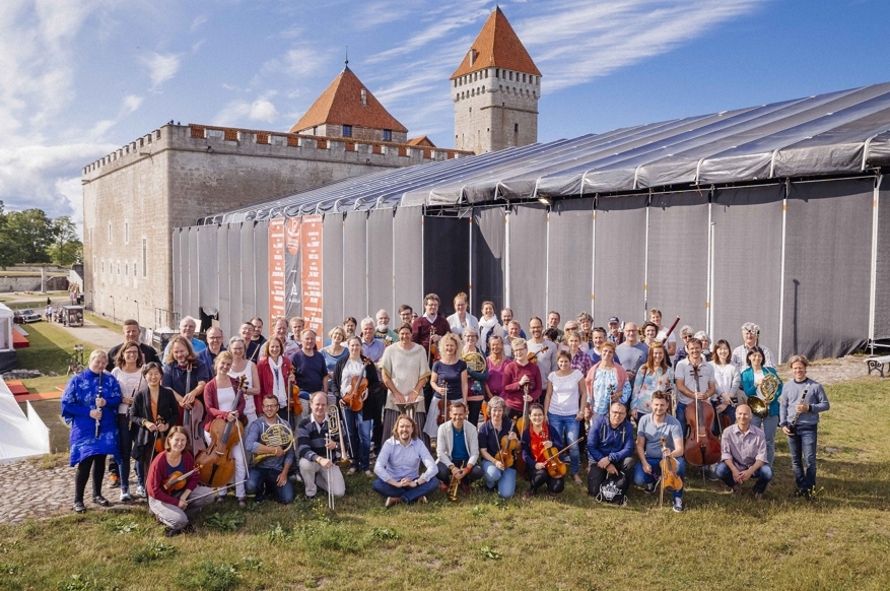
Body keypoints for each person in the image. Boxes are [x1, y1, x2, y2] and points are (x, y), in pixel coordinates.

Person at [62, 349, 122, 513]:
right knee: (85, 461)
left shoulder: (109, 379)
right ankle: (78, 499)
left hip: (105, 427)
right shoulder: (77, 380)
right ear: (90, 361)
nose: (100, 365)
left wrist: (105, 402)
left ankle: (97, 494)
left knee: (100, 461)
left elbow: (118, 398)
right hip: (85, 429)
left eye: (104, 362)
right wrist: (88, 412)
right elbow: (67, 404)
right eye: (98, 361)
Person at [146, 427, 215, 536]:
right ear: (169, 440)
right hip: (159, 498)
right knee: (180, 521)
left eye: (183, 440)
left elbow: (194, 476)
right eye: (176, 440)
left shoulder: (186, 456)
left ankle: (177, 514)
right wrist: (176, 503)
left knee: (209, 494)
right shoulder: (159, 460)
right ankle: (160, 515)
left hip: (178, 494)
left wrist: (183, 497)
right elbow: (154, 491)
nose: (180, 443)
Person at [780, 355, 830, 498]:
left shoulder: (815, 386)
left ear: (805, 368)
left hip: (808, 427)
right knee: (795, 460)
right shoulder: (787, 386)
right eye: (795, 368)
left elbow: (826, 405)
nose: (798, 370)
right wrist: (783, 423)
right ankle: (801, 486)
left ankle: (809, 489)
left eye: (800, 368)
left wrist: (809, 408)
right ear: (791, 369)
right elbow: (783, 405)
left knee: (809, 460)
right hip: (791, 427)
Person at [202, 352, 248, 506]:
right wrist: (224, 414)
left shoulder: (236, 382)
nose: (225, 366)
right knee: (218, 460)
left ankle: (240, 494)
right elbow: (209, 408)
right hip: (216, 428)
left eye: (228, 364)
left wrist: (236, 414)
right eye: (223, 363)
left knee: (240, 461)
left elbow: (241, 403)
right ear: (217, 363)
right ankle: (221, 491)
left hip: (234, 428)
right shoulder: (209, 386)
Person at [331, 336, 382, 476]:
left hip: (364, 403)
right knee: (351, 434)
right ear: (348, 346)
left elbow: (376, 384)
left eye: (357, 345)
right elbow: (334, 383)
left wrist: (367, 391)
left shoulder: (367, 363)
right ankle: (354, 463)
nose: (354, 348)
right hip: (346, 402)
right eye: (352, 345)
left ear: (361, 347)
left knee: (365, 435)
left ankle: (365, 465)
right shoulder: (342, 362)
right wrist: (339, 397)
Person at [131, 361, 179, 498]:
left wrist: (166, 425)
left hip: (164, 437)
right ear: (145, 376)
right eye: (150, 374)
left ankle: (166, 492)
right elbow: (133, 416)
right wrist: (145, 422)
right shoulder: (140, 395)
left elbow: (175, 414)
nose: (153, 377)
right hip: (146, 437)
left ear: (161, 376)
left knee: (165, 464)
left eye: (156, 373)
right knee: (148, 466)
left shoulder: (168, 393)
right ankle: (150, 494)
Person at [634, 391, 686, 512]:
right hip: (650, 458)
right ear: (651, 404)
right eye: (656, 404)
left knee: (681, 465)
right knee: (638, 479)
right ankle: (653, 481)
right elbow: (640, 445)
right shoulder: (644, 420)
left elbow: (680, 449)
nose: (659, 408)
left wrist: (670, 454)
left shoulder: (674, 423)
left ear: (667, 405)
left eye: (662, 405)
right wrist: (644, 462)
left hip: (668, 459)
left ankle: (677, 497)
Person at [380, 323, 431, 445]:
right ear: (398, 334)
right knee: (394, 430)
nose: (405, 336)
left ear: (411, 334)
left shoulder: (420, 350)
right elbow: (385, 375)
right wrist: (396, 393)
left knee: (416, 428)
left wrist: (414, 392)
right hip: (395, 397)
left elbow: (424, 375)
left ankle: (418, 458)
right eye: (402, 333)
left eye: (407, 333)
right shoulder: (390, 350)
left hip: (415, 397)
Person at [373, 414, 439, 506]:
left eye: (408, 426)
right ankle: (416, 496)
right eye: (402, 426)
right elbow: (378, 468)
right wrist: (396, 484)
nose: (404, 429)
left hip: (412, 482)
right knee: (377, 484)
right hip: (394, 483)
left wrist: (416, 483)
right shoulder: (389, 444)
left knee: (434, 481)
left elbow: (433, 468)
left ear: (412, 429)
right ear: (397, 429)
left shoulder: (419, 444)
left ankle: (399, 499)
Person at [110, 341, 145, 501]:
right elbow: (110, 394)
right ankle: (124, 488)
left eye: (135, 352)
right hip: (122, 416)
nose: (132, 355)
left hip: (139, 417)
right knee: (124, 452)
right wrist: (122, 398)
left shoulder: (144, 371)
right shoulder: (116, 372)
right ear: (123, 354)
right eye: (128, 352)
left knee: (139, 452)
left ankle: (141, 484)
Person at [245, 396, 296, 504]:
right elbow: (249, 445)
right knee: (250, 487)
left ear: (277, 407)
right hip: (259, 467)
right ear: (263, 408)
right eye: (267, 406)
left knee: (288, 498)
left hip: (277, 469)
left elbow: (290, 453)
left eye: (272, 406)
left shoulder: (285, 425)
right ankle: (263, 488)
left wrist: (284, 473)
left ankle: (270, 487)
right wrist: (273, 450)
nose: (269, 409)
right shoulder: (257, 424)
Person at [543, 351, 585, 485]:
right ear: (557, 362)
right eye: (561, 361)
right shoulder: (552, 376)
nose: (563, 364)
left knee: (573, 444)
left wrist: (581, 410)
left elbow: (584, 393)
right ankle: (558, 468)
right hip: (554, 413)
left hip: (572, 415)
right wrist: (545, 414)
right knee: (557, 444)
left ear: (570, 361)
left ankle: (575, 472)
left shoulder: (577, 374)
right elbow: (548, 395)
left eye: (566, 361)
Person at [296, 392, 346, 500]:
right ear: (311, 405)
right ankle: (310, 492)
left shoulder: (334, 422)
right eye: (317, 404)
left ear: (327, 406)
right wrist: (319, 459)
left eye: (323, 405)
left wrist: (336, 445)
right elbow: (302, 449)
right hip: (313, 461)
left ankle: (317, 479)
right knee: (304, 464)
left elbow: (344, 444)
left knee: (339, 492)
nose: (320, 407)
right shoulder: (304, 423)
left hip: (329, 461)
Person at [715, 404, 772, 498]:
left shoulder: (759, 433)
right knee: (720, 470)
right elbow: (726, 454)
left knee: (767, 472)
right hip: (735, 465)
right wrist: (734, 470)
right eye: (740, 414)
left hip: (753, 466)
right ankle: (734, 486)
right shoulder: (727, 432)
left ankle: (758, 490)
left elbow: (761, 457)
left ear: (751, 416)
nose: (742, 417)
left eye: (745, 414)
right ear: (735, 415)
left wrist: (750, 471)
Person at [740, 347, 782, 466]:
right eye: (754, 356)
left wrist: (772, 397)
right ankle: (752, 465)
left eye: (759, 356)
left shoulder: (770, 371)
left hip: (771, 408)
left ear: (762, 358)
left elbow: (779, 386)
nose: (757, 358)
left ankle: (768, 466)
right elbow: (748, 392)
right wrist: (756, 384)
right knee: (753, 438)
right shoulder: (746, 374)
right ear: (749, 357)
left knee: (769, 440)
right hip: (755, 409)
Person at [587, 402, 635, 503]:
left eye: (621, 413)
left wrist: (610, 458)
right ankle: (610, 481)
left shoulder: (628, 426)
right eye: (615, 412)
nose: (617, 415)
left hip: (618, 459)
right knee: (594, 491)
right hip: (599, 459)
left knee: (629, 461)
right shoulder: (598, 422)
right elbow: (591, 446)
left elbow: (629, 448)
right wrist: (606, 463)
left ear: (626, 414)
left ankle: (622, 486)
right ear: (609, 412)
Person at [412, 293, 451, 413]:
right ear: (425, 306)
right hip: (423, 360)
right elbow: (413, 341)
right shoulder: (418, 322)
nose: (433, 307)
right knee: (426, 387)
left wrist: (440, 338)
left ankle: (438, 416)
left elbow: (450, 338)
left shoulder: (443, 322)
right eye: (430, 305)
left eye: (435, 305)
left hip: (439, 360)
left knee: (438, 386)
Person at [477, 396, 518, 499]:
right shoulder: (483, 429)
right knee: (494, 474)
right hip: (491, 461)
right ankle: (490, 485)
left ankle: (503, 480)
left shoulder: (509, 424)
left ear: (503, 411)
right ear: (490, 411)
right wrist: (495, 462)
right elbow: (483, 452)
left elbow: (518, 447)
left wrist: (516, 439)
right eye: (494, 410)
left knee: (506, 494)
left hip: (508, 462)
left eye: (500, 410)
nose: (497, 413)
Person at [436, 401, 483, 491]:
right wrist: (452, 468)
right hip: (450, 460)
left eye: (461, 414)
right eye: (455, 414)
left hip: (465, 461)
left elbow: (475, 453)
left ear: (465, 414)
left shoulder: (472, 428)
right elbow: (440, 452)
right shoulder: (442, 428)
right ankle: (447, 482)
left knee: (478, 471)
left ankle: (465, 482)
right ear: (450, 414)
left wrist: (467, 469)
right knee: (439, 471)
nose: (457, 417)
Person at [673, 337, 716, 436]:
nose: (694, 350)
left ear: (701, 349)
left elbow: (712, 387)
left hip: (704, 404)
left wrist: (706, 395)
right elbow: (679, 385)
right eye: (692, 348)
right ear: (687, 349)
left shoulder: (709, 367)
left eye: (697, 348)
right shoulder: (681, 365)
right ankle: (682, 450)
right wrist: (693, 395)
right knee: (681, 432)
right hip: (685, 403)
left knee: (710, 430)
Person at [428, 333, 468, 437]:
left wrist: (464, 401)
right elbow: (432, 381)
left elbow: (464, 384)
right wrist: (438, 388)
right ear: (443, 347)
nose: (449, 348)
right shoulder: (437, 364)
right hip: (439, 401)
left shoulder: (461, 364)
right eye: (447, 345)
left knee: (456, 429)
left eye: (452, 345)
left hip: (456, 400)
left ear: (456, 347)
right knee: (437, 428)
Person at [521, 404, 565, 497]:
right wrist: (534, 464)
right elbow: (524, 454)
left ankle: (550, 485)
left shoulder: (550, 429)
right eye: (535, 415)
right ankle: (533, 488)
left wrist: (552, 444)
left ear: (544, 416)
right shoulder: (526, 433)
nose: (537, 417)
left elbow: (561, 446)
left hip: (552, 464)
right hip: (536, 466)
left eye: (540, 415)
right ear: (530, 416)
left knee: (558, 487)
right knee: (540, 476)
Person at [161, 335, 211, 411]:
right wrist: (181, 400)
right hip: (176, 406)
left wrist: (193, 393)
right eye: (176, 352)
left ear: (188, 350)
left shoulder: (199, 364)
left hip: (196, 407)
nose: (179, 355)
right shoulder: (169, 367)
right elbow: (167, 387)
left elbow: (202, 383)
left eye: (182, 351)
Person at [585, 341, 631, 418]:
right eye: (605, 351)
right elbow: (588, 390)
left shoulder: (619, 370)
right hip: (595, 410)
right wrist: (587, 407)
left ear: (613, 354)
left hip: (613, 411)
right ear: (601, 352)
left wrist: (619, 396)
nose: (607, 353)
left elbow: (628, 389)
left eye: (610, 352)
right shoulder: (593, 370)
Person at [290, 329, 329, 419]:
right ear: (301, 340)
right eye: (307, 338)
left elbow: (325, 376)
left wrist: (325, 394)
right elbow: (291, 378)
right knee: (302, 425)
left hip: (317, 396)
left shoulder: (319, 356)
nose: (310, 341)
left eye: (312, 338)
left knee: (317, 423)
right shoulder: (295, 356)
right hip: (302, 397)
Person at [502, 338, 542, 420]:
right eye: (516, 350)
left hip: (529, 409)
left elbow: (539, 389)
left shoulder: (534, 368)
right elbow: (504, 388)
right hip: (512, 408)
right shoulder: (509, 367)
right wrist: (519, 383)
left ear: (526, 349)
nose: (518, 352)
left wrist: (532, 396)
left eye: (521, 349)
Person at [631, 343, 674, 421]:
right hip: (642, 408)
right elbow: (636, 389)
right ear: (651, 354)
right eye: (655, 353)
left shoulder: (669, 370)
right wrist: (633, 407)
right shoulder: (644, 368)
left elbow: (671, 390)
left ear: (664, 354)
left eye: (660, 353)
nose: (658, 355)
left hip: (660, 409)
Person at [257, 337, 292, 422]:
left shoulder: (286, 362)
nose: (275, 349)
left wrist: (292, 379)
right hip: (268, 405)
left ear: (281, 348)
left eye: (277, 347)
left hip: (283, 403)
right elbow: (259, 387)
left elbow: (290, 384)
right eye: (272, 347)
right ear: (268, 348)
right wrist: (260, 408)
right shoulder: (262, 364)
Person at [227, 336, 261, 422]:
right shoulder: (226, 366)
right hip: (231, 412)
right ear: (230, 349)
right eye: (235, 348)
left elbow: (257, 390)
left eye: (240, 348)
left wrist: (243, 390)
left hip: (249, 411)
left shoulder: (251, 365)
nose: (238, 351)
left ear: (244, 349)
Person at [460, 327, 489, 425]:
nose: (470, 338)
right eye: (468, 336)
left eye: (473, 336)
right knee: (460, 421)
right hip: (460, 391)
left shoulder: (480, 353)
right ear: (464, 338)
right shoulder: (459, 353)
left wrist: (469, 372)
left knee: (473, 422)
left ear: (477, 338)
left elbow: (485, 376)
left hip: (476, 392)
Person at [711, 339, 741, 427]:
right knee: (714, 429)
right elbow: (713, 382)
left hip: (730, 402)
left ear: (729, 350)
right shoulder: (710, 366)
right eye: (720, 349)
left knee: (729, 427)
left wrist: (725, 402)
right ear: (716, 350)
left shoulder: (734, 366)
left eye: (725, 349)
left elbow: (736, 384)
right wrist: (723, 394)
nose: (723, 351)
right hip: (714, 400)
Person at [527, 316, 557, 393]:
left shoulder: (551, 346)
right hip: (530, 388)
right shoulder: (525, 345)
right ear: (529, 329)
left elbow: (554, 367)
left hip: (546, 388)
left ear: (542, 327)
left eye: (538, 327)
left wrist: (551, 385)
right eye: (533, 327)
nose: (536, 329)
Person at [484, 334, 509, 401]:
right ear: (489, 346)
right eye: (493, 345)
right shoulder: (485, 361)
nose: (495, 347)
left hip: (505, 398)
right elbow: (484, 381)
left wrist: (501, 397)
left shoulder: (508, 363)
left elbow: (510, 381)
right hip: (488, 398)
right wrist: (490, 395)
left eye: (498, 344)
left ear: (502, 345)